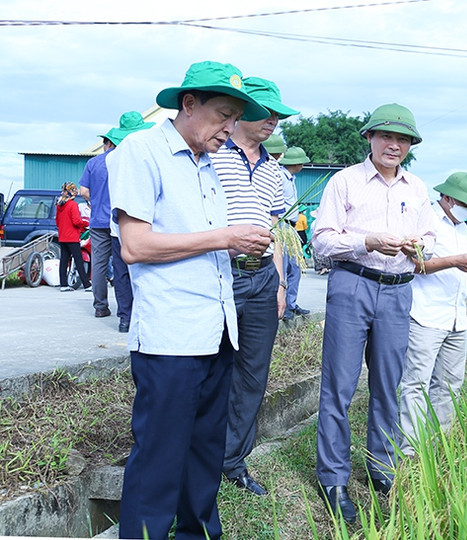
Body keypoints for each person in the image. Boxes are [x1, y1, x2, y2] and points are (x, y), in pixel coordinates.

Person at [107, 61, 272, 540]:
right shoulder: (143, 152)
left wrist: (239, 244)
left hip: (217, 329)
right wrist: (225, 237)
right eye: (222, 114)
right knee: (160, 454)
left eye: (235, 118)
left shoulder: (208, 164)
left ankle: (199, 533)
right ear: (189, 103)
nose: (229, 128)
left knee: (204, 451)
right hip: (171, 334)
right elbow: (135, 245)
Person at [311, 103, 437, 522]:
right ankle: (333, 477)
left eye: (402, 139)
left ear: (410, 146)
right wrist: (368, 242)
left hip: (399, 291)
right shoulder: (344, 182)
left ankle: (381, 467)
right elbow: (323, 241)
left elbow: (431, 240)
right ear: (369, 137)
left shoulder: (417, 189)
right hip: (352, 284)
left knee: (389, 385)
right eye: (386, 136)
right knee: (339, 387)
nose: (394, 145)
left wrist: (420, 245)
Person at [210, 76, 298, 496]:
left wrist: (280, 283)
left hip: (263, 278)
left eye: (280, 116)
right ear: (242, 111)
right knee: (212, 369)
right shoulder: (212, 155)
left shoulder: (274, 171)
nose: (274, 122)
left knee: (253, 373)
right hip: (221, 274)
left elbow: (276, 230)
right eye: (268, 113)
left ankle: (233, 461)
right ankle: (203, 456)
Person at [399, 172, 467, 457]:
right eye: (466, 204)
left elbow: (461, 275)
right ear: (448, 198)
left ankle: (437, 448)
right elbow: (416, 264)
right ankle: (409, 452)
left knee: (449, 386)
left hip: (457, 318)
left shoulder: (463, 229)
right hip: (426, 316)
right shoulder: (426, 221)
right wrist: (456, 260)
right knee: (416, 385)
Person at [80, 111, 154, 324]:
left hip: (100, 221)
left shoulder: (96, 163)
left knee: (101, 265)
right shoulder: (142, 155)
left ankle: (104, 308)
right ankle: (139, 314)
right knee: (135, 267)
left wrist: (96, 201)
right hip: (130, 221)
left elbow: (83, 191)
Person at [279, 146, 312, 321]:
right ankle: (282, 305)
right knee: (283, 268)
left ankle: (291, 303)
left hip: (292, 227)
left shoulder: (290, 178)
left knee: (295, 268)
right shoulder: (280, 177)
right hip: (282, 226)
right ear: (297, 163)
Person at [55, 182, 92, 292]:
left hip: (62, 237)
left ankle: (64, 285)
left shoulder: (59, 205)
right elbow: (76, 221)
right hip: (72, 237)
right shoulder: (73, 205)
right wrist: (86, 223)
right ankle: (87, 285)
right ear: (72, 192)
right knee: (79, 261)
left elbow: (57, 221)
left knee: (64, 261)